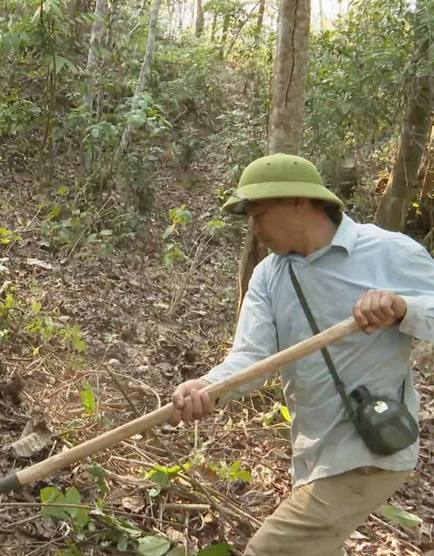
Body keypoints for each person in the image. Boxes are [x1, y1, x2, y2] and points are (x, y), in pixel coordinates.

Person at [170, 153, 434, 555]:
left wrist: (402, 307)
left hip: (370, 449)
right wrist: (209, 385)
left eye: (260, 214)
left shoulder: (389, 252)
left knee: (269, 551)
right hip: (313, 452)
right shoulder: (269, 276)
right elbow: (252, 359)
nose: (254, 230)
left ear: (300, 201)